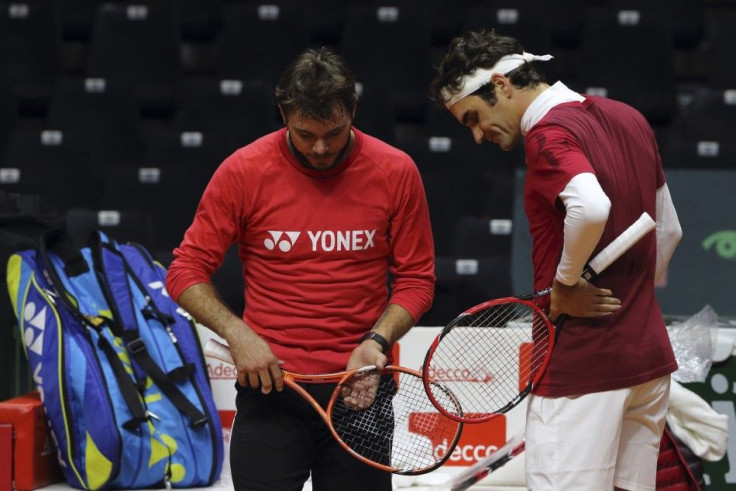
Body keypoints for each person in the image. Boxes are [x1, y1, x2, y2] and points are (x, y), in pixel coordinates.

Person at [165, 47, 435, 490]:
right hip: (271, 389)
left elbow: (417, 280)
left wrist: (377, 342)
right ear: (283, 113)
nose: (321, 148)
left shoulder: (395, 171)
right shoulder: (244, 171)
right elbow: (185, 270)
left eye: (334, 131)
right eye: (305, 134)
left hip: (360, 389)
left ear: (353, 111)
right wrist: (239, 336)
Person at [428, 29, 682, 491]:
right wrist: (635, 297)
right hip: (646, 363)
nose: (478, 135)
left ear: (502, 85)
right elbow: (669, 230)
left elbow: (591, 204)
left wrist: (566, 284)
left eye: (473, 118)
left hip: (581, 369)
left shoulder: (547, 136)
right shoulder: (627, 117)